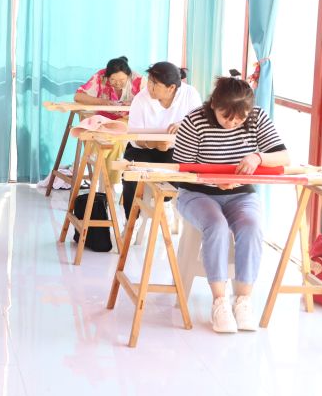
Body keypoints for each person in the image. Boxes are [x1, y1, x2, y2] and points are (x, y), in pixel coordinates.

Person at [172, 71, 289, 334]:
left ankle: (243, 300)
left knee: (252, 226)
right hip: (196, 193)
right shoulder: (194, 121)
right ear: (214, 104)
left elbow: (284, 156)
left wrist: (258, 157)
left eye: (240, 119)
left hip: (241, 194)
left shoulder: (257, 117)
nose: (233, 123)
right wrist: (215, 183)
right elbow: (182, 171)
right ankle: (220, 301)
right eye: (226, 116)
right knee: (217, 225)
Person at [121, 62, 201, 218]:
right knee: (131, 174)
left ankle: (168, 203)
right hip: (143, 149)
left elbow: (198, 124)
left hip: (176, 149)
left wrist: (182, 124)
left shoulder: (190, 94)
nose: (149, 86)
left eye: (154, 84)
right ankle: (131, 219)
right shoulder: (141, 99)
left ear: (171, 88)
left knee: (181, 174)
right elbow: (134, 137)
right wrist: (154, 144)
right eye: (149, 81)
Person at [74, 56, 143, 184]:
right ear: (107, 76)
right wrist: (101, 101)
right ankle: (109, 185)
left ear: (129, 76)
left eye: (122, 80)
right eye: (113, 80)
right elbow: (78, 96)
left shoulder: (138, 80)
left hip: (126, 119)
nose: (118, 83)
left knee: (116, 138)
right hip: (104, 119)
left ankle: (100, 162)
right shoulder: (100, 76)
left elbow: (148, 102)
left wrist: (132, 106)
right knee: (116, 143)